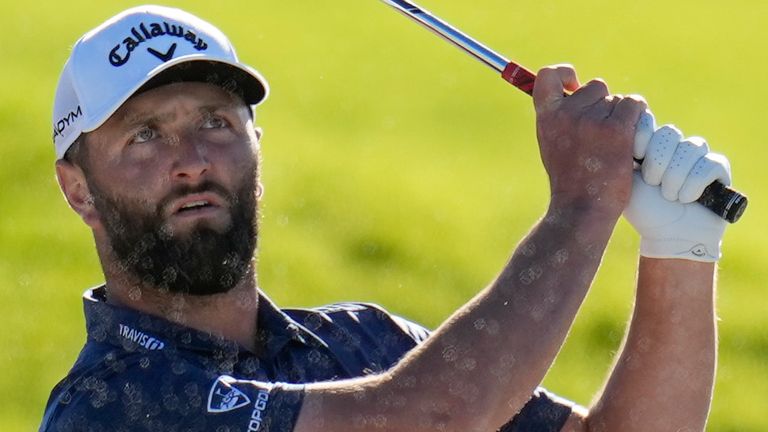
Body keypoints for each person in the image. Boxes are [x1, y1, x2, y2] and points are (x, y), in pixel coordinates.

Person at [40, 5, 732, 432]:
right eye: (144, 136)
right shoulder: (110, 405)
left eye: (215, 123)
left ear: (256, 146)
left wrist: (681, 248)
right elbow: (436, 419)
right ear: (79, 190)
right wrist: (583, 204)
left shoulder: (363, 343)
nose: (190, 159)